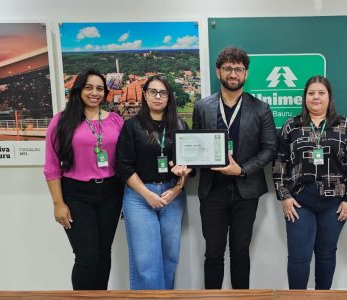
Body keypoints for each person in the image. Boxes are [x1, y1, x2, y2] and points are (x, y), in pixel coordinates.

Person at [192, 46, 277, 289]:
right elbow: (195, 147)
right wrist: (185, 167)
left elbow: (270, 149)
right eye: (228, 68)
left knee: (240, 253)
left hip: (246, 191)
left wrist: (241, 169)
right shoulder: (201, 107)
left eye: (238, 69)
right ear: (218, 72)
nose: (233, 74)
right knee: (213, 254)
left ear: (246, 74)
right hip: (212, 192)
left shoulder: (261, 108)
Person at [273, 75, 347, 290]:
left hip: (335, 202)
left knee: (325, 253)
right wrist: (284, 196)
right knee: (298, 256)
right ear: (305, 97)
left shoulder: (345, 126)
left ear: (329, 97)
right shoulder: (291, 126)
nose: (316, 97)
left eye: (321, 93)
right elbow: (279, 163)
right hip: (299, 201)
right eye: (311, 93)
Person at [43, 69, 124, 290]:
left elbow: (127, 159)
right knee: (86, 256)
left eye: (99, 88)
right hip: (76, 194)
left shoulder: (116, 121)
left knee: (103, 253)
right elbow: (51, 166)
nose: (94, 93)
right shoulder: (61, 121)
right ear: (78, 90)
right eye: (89, 87)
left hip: (111, 193)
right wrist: (58, 204)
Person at [115, 75, 191, 290]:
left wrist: (177, 188)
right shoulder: (132, 126)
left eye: (163, 93)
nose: (158, 97)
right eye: (153, 92)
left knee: (170, 257)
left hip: (172, 196)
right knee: (146, 261)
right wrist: (147, 195)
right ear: (145, 95)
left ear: (169, 97)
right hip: (139, 197)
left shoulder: (179, 125)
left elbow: (188, 165)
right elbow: (124, 166)